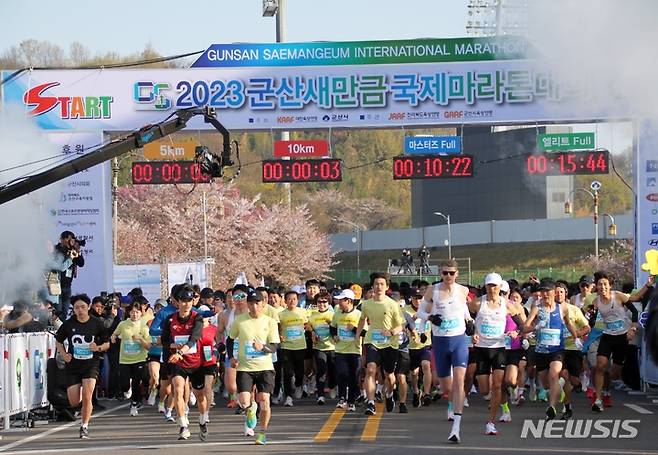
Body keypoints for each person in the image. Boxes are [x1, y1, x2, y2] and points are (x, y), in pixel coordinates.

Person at [417, 259, 472, 444]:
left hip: (459, 341)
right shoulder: (433, 290)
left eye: (451, 273)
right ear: (440, 273)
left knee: (459, 383)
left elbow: (464, 308)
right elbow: (419, 313)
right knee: (447, 389)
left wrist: (469, 321)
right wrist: (431, 317)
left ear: (457, 274)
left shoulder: (463, 290)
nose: (448, 276)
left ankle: (456, 428)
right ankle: (450, 404)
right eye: (445, 273)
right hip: (440, 342)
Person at [588, 271, 653, 412]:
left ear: (609, 286)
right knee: (600, 365)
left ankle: (606, 391)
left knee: (614, 373)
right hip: (607, 336)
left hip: (622, 337)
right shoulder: (595, 302)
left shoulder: (618, 296)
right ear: (596, 287)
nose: (602, 287)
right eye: (600, 284)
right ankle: (598, 400)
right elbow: (589, 318)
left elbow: (635, 307)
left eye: (605, 284)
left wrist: (633, 329)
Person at [227, 290, 280, 445]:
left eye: (257, 303)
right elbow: (230, 340)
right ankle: (250, 408)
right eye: (251, 303)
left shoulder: (270, 322)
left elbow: (275, 346)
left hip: (265, 367)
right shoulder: (240, 321)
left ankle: (262, 433)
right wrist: (231, 357)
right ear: (247, 305)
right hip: (245, 368)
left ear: (263, 304)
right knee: (243, 401)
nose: (254, 306)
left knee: (264, 400)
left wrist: (263, 347)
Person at [523, 278, 579, 420]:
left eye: (548, 291)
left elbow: (568, 323)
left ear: (554, 292)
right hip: (541, 351)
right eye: (543, 291)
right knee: (547, 384)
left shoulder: (562, 308)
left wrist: (576, 337)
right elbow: (525, 326)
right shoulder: (537, 307)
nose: (545, 294)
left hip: (557, 350)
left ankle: (551, 407)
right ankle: (561, 392)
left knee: (554, 374)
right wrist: (535, 327)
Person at [54, 294, 110, 439]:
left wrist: (97, 347)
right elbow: (58, 341)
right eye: (76, 308)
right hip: (73, 366)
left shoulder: (97, 323)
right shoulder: (69, 324)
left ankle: (84, 426)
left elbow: (108, 343)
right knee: (74, 401)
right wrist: (64, 355)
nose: (80, 310)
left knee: (87, 396)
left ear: (88, 307)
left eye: (83, 307)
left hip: (91, 364)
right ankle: (82, 408)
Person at [161, 284, 208, 441]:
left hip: (195, 362)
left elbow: (194, 338)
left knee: (200, 395)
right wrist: (174, 347)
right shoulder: (169, 320)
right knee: (178, 389)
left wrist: (181, 351)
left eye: (189, 300)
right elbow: (164, 341)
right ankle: (183, 426)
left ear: (193, 301)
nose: (186, 303)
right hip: (177, 363)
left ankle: (202, 418)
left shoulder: (198, 318)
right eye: (183, 300)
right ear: (177, 302)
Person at [356, 272, 405, 416]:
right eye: (376, 284)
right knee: (371, 370)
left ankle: (389, 394)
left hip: (390, 343)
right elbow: (362, 320)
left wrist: (391, 332)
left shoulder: (392, 304)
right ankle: (370, 403)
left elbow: (401, 325)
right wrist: (357, 336)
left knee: (389, 375)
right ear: (372, 286)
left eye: (382, 284)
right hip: (372, 340)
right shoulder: (365, 304)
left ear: (387, 287)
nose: (379, 287)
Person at [110, 302, 151, 416]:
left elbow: (148, 345)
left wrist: (140, 339)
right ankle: (127, 389)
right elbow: (115, 334)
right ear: (129, 312)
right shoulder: (123, 324)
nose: (135, 314)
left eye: (137, 312)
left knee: (137, 383)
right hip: (125, 359)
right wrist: (113, 338)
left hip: (139, 359)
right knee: (124, 384)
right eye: (132, 312)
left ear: (140, 313)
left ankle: (134, 405)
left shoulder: (143, 326)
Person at [331, 289, 364, 411]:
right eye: (339, 300)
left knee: (353, 377)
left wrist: (355, 329)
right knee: (342, 374)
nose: (339, 302)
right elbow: (332, 327)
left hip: (355, 351)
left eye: (342, 300)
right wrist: (334, 334)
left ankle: (351, 401)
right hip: (340, 350)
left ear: (349, 301)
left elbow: (365, 332)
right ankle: (342, 398)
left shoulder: (359, 315)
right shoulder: (337, 313)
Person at [279, 290, 309, 407]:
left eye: (294, 299)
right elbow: (278, 328)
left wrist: (309, 330)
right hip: (286, 346)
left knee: (299, 371)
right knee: (288, 372)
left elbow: (307, 325)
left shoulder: (302, 312)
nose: (292, 301)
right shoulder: (281, 314)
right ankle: (288, 396)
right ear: (285, 301)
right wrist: (279, 335)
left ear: (297, 300)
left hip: (300, 346)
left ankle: (299, 384)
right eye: (289, 299)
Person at [52, 231, 84, 317]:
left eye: (72, 239)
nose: (70, 241)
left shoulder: (73, 250)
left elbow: (81, 263)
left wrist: (77, 251)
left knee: (65, 312)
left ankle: (62, 329)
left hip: (67, 285)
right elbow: (59, 267)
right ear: (62, 239)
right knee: (57, 312)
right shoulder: (56, 250)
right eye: (68, 239)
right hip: (56, 285)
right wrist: (69, 256)